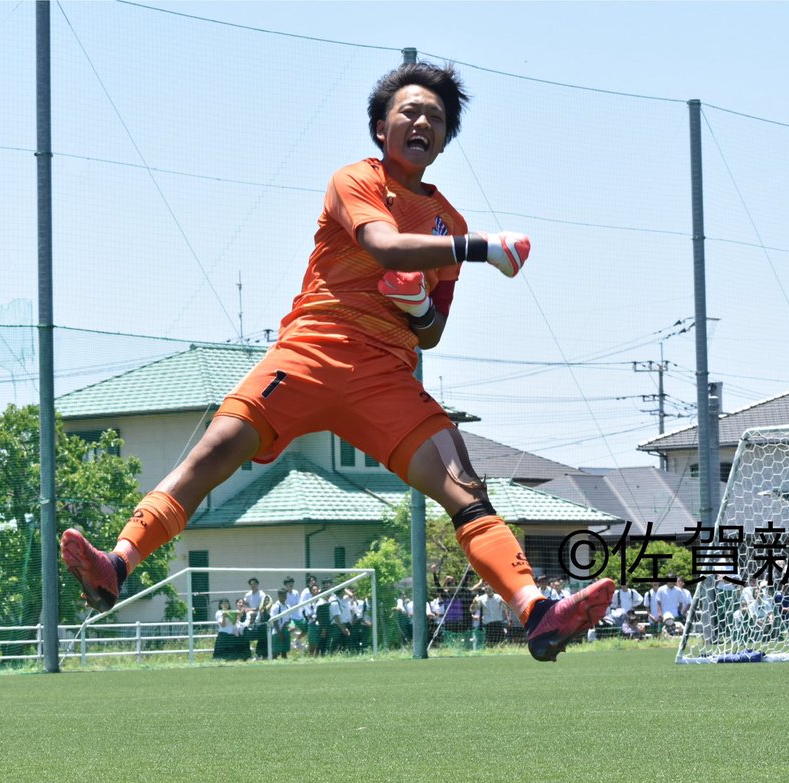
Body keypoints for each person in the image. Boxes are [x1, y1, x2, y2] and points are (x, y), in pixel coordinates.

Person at [60, 60, 614, 663]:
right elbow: (381, 244)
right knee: (212, 456)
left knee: (465, 489)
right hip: (310, 350)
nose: (423, 120)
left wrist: (418, 301)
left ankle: (535, 610)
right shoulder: (357, 180)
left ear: (445, 138)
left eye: (436, 116)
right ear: (381, 127)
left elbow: (430, 333)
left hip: (384, 373)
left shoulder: (446, 221)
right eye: (410, 110)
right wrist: (483, 248)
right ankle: (117, 564)